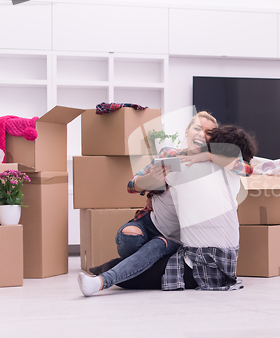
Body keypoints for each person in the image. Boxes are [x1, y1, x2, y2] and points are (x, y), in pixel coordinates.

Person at [77, 121, 257, 296]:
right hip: (227, 266)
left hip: (198, 266)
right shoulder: (235, 176)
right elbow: (250, 168)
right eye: (197, 128)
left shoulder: (185, 166)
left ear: (213, 144)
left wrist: (157, 178)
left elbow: (142, 182)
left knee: (127, 272)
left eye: (209, 133)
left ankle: (102, 278)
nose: (202, 135)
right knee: (145, 243)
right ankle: (107, 273)